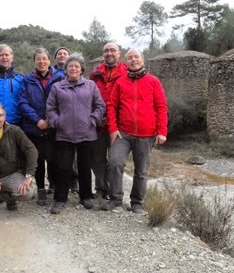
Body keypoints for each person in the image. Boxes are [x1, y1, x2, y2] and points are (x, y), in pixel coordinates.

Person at [102, 49, 168, 213]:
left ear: (142, 60)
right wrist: (113, 129)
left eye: (136, 57)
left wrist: (162, 131)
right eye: (129, 58)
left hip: (147, 134)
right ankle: (116, 198)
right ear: (126, 62)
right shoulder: (120, 82)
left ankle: (137, 202)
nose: (133, 60)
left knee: (141, 171)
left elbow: (161, 107)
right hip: (123, 133)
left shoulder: (153, 81)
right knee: (115, 162)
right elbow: (111, 106)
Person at [46, 53, 105, 214]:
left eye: (76, 66)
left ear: (82, 69)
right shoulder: (58, 87)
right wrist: (57, 122)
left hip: (87, 134)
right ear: (66, 69)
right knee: (63, 167)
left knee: (84, 167)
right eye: (70, 66)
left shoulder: (91, 85)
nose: (73, 68)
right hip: (64, 134)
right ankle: (60, 199)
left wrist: (92, 120)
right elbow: (50, 108)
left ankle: (85, 196)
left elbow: (100, 106)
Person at [18, 48, 65, 205]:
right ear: (34, 62)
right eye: (38, 59)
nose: (41, 61)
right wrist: (37, 120)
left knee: (54, 159)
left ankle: (54, 185)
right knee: (37, 160)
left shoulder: (60, 77)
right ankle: (41, 189)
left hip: (54, 127)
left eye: (44, 58)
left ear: (49, 61)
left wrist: (53, 119)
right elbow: (23, 103)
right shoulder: (27, 80)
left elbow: (65, 101)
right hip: (33, 127)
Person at [89, 42, 127, 199]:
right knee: (96, 159)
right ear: (103, 54)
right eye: (106, 51)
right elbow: (90, 96)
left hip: (117, 126)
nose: (109, 53)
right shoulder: (96, 74)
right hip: (98, 125)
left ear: (119, 53)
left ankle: (114, 191)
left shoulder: (126, 72)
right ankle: (101, 188)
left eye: (113, 50)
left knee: (115, 161)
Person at [53, 47, 79, 193]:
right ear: (55, 57)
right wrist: (56, 120)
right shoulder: (53, 76)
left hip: (78, 125)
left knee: (75, 157)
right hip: (59, 123)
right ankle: (57, 184)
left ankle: (74, 182)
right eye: (59, 53)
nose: (62, 55)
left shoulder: (81, 78)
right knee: (60, 156)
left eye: (65, 53)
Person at [0, 44, 23, 126]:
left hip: (18, 123)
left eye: (6, 55)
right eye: (1, 55)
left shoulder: (20, 78)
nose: (4, 57)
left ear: (12, 57)